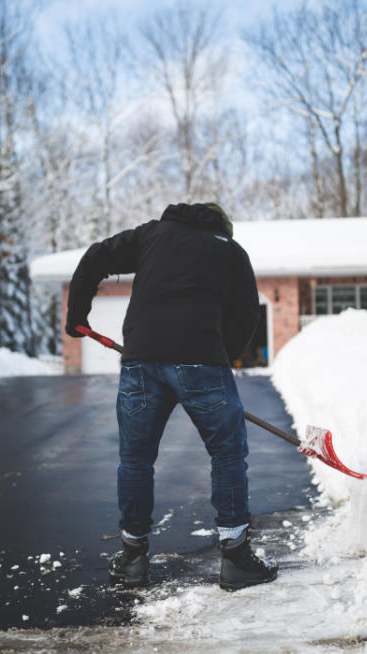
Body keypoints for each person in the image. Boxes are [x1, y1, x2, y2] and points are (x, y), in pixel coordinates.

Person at [65, 202, 277, 591]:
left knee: (136, 459)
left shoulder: (151, 235)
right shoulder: (230, 251)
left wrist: (76, 313)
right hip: (202, 362)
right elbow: (247, 313)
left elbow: (96, 255)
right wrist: (218, 356)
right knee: (227, 454)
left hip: (141, 360)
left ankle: (132, 557)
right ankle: (235, 558)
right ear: (223, 227)